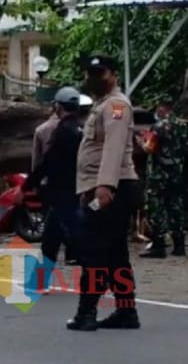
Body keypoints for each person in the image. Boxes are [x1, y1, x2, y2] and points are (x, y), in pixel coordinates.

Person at [67, 53, 141, 331]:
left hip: (114, 188)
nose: (93, 78)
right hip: (105, 187)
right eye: (90, 73)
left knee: (95, 252)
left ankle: (86, 312)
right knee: (115, 254)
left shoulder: (117, 106)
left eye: (100, 73)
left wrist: (105, 186)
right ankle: (126, 311)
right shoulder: (103, 105)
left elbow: (113, 148)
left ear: (113, 75)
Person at [20, 87, 83, 292]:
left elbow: (46, 162)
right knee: (52, 236)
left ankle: (100, 276)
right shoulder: (80, 129)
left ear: (58, 106)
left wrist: (27, 185)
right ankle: (39, 281)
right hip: (77, 189)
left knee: (76, 236)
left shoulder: (62, 131)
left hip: (62, 191)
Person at [138, 99, 188, 257]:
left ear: (162, 108)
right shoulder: (183, 126)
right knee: (176, 206)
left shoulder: (158, 127)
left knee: (156, 207)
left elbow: (149, 148)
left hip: (160, 174)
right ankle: (179, 244)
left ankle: (158, 244)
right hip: (177, 173)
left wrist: (140, 141)